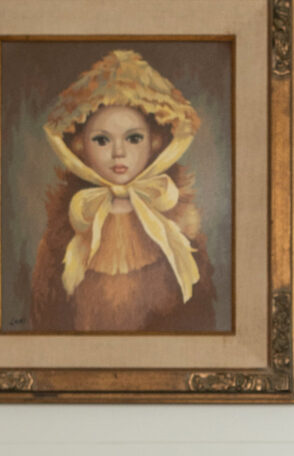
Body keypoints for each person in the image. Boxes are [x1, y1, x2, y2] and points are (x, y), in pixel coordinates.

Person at [29, 47, 218, 334]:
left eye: (133, 138)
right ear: (79, 146)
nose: (119, 153)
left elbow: (197, 314)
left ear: (155, 142)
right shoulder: (72, 222)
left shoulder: (176, 223)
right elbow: (47, 315)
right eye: (102, 140)